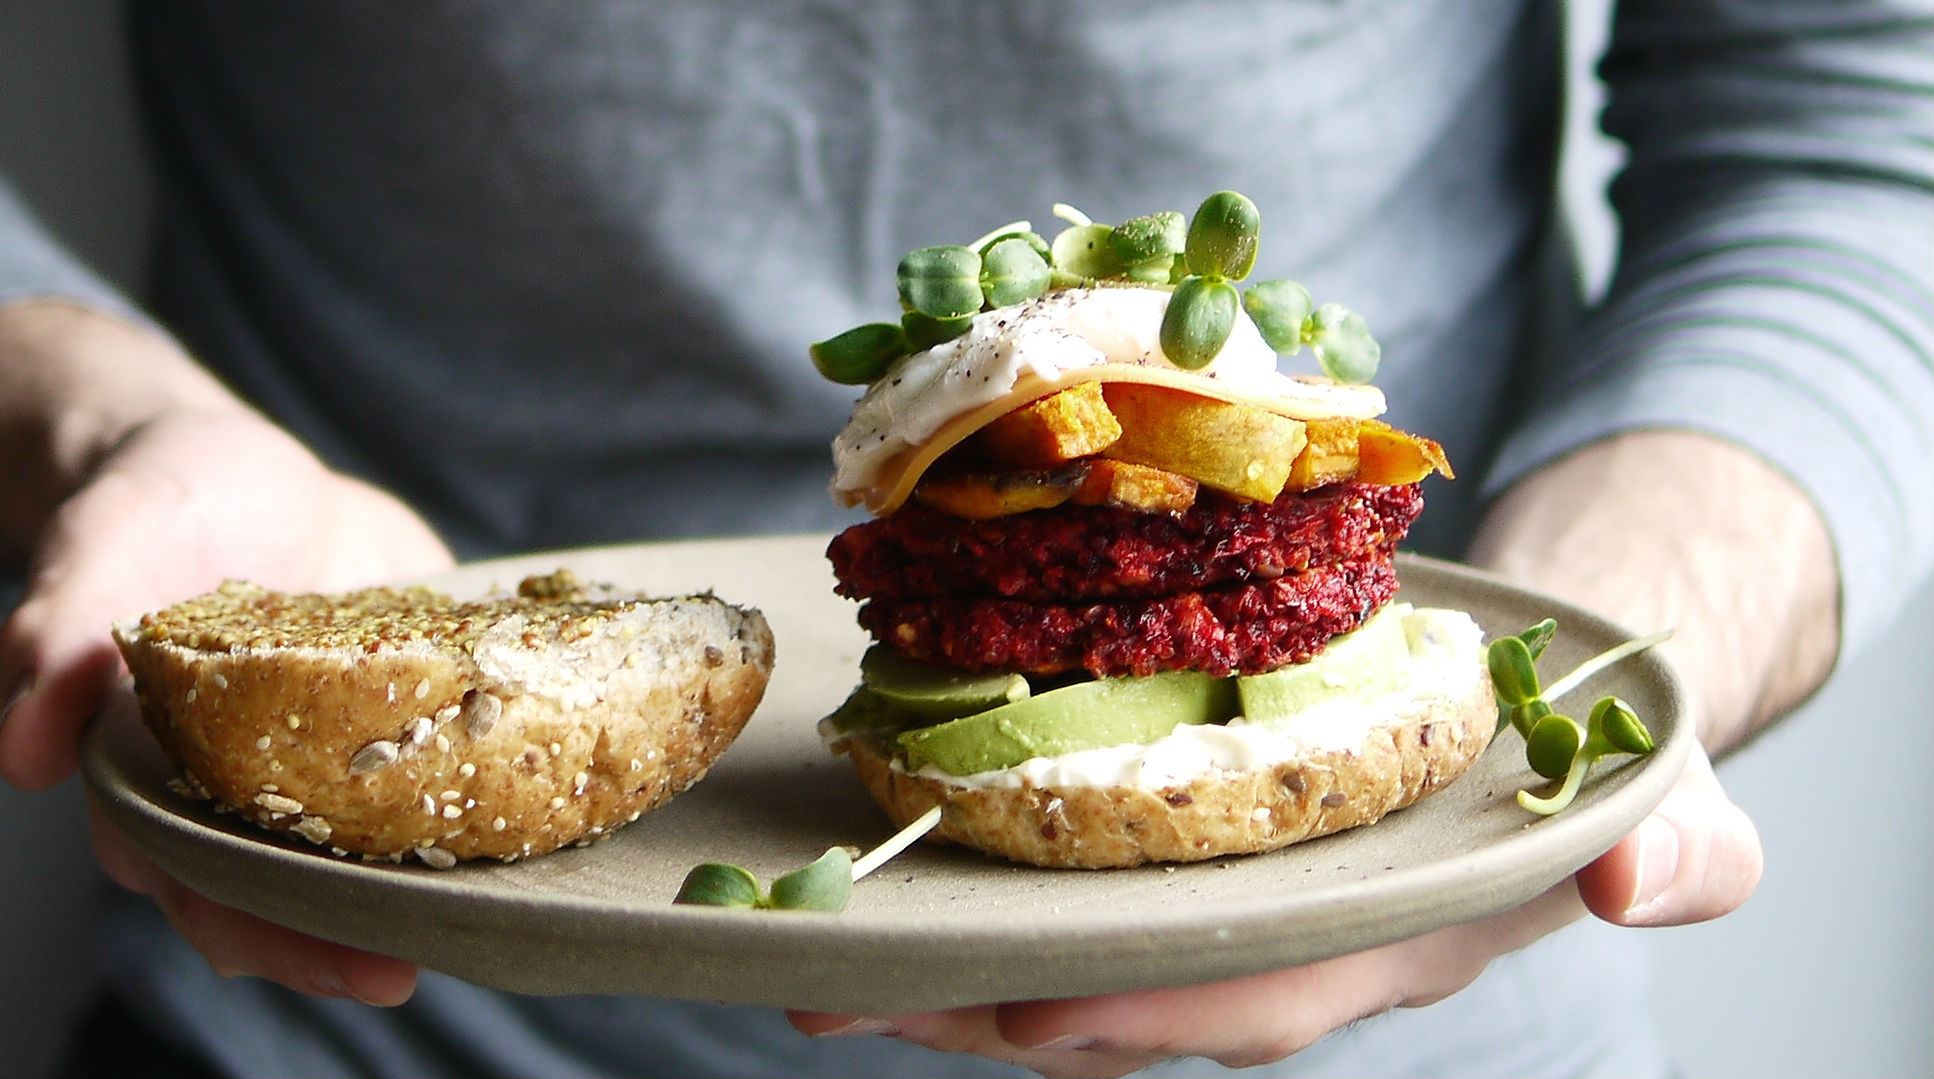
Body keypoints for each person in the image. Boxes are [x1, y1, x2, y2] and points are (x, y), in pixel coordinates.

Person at [1, 4, 1927, 1077]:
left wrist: (1599, 675)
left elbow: (1856, 131)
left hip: (1446, 1031)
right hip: (345, 1023)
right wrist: (98, 413)